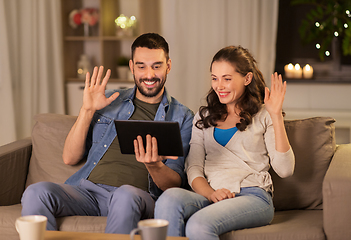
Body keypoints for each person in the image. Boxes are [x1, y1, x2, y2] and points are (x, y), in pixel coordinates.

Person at [21, 33, 194, 234]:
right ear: (131, 67)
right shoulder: (110, 100)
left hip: (135, 196)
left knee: (125, 194)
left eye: (156, 66)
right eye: (141, 66)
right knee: (36, 192)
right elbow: (69, 157)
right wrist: (87, 110)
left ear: (168, 66)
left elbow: (173, 184)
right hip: (87, 191)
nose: (149, 74)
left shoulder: (182, 116)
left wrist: (153, 165)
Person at [154, 45, 295, 240]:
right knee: (167, 199)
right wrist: (211, 194)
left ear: (247, 78)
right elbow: (193, 167)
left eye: (227, 79)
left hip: (252, 196)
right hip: (211, 194)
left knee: (198, 225)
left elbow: (285, 169)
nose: (219, 86)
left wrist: (276, 115)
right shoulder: (203, 117)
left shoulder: (265, 115)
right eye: (214, 78)